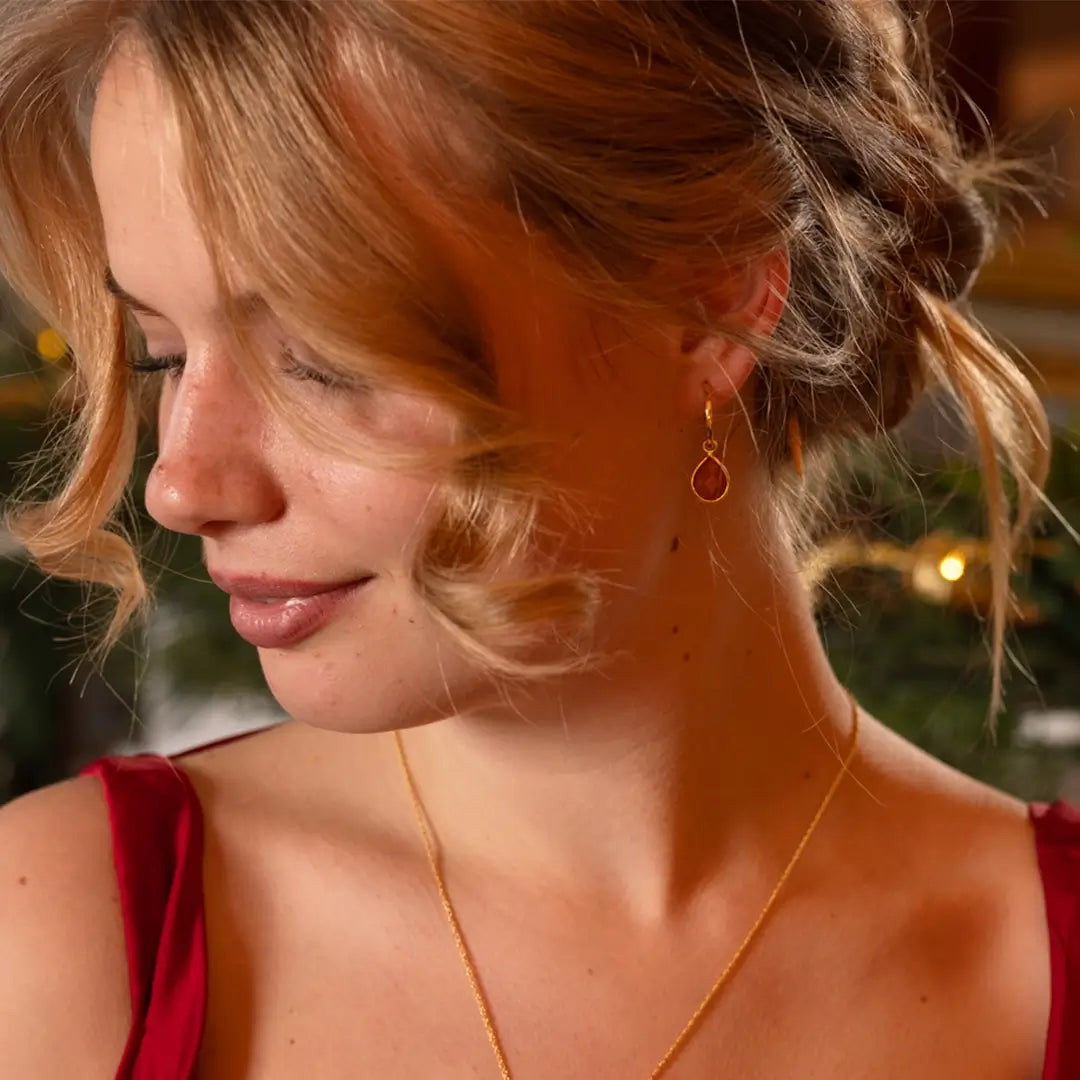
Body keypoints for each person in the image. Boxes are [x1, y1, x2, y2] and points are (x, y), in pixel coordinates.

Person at [0, 1, 1076, 1077]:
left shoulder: (1042, 972)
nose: (184, 485)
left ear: (712, 305)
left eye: (319, 358)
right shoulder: (63, 947)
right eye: (164, 355)